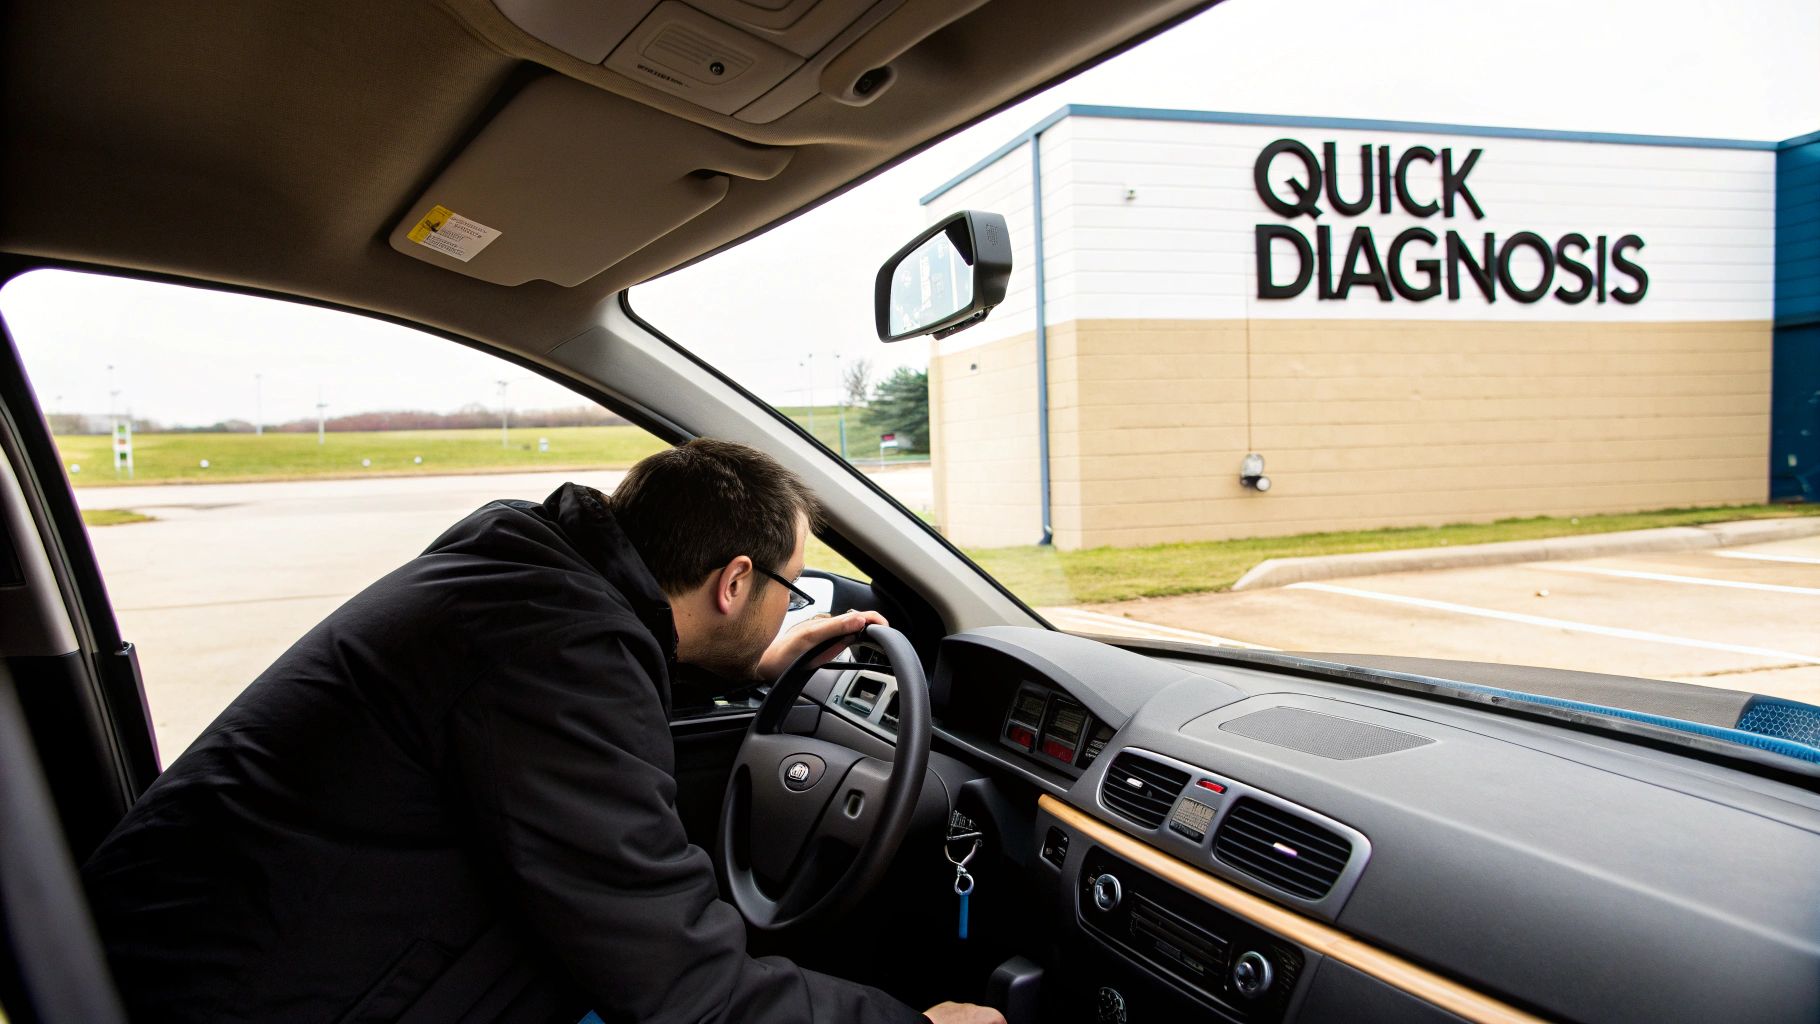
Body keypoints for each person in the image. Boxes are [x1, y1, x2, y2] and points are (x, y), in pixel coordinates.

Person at [82, 439, 1004, 1024]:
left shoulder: (524, 578)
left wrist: (753, 661)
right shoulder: (557, 660)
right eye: (787, 589)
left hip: (197, 953)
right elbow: (681, 986)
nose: (788, 606)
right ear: (732, 582)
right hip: (242, 993)